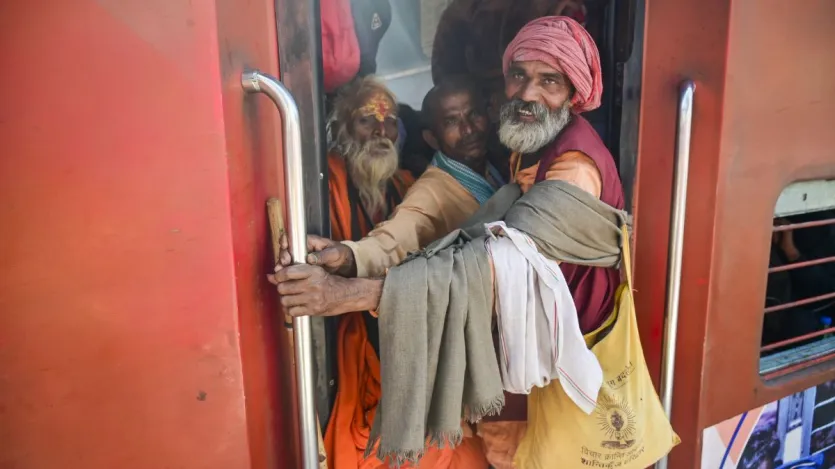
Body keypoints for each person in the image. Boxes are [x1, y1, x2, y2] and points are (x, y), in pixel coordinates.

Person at [271, 16, 623, 468]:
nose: (530, 93)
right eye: (519, 76)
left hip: (562, 374)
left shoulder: (568, 164)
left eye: (550, 80)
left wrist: (349, 294)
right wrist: (350, 254)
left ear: (576, 92)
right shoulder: (510, 156)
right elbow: (399, 234)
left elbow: (502, 269)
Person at [272, 77, 497, 469]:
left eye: (390, 120)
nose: (381, 131)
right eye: (366, 121)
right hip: (362, 327)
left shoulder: (404, 182)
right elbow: (392, 240)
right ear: (342, 130)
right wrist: (345, 257)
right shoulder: (327, 183)